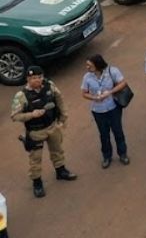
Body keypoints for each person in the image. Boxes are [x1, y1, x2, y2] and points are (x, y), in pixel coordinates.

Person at [12, 66, 76, 197]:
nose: (37, 80)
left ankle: (61, 171)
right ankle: (37, 183)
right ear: (28, 79)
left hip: (52, 126)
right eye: (33, 78)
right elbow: (15, 116)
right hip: (36, 131)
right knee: (35, 159)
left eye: (39, 77)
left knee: (57, 150)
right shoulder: (21, 96)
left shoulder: (49, 86)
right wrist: (31, 115)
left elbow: (59, 100)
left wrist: (63, 117)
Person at [80, 54, 129, 168]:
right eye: (87, 65)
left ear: (98, 64)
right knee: (103, 134)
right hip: (98, 110)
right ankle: (107, 156)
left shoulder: (112, 71)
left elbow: (123, 83)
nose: (87, 67)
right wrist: (94, 98)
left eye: (90, 65)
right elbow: (84, 93)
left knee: (118, 131)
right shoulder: (87, 77)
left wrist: (110, 92)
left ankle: (122, 154)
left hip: (113, 108)